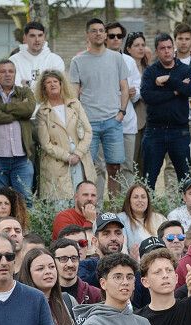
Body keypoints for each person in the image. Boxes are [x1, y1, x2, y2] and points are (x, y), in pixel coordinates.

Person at [69, 18, 129, 197]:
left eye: (101, 30)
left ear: (105, 34)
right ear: (87, 34)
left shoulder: (116, 58)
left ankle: (116, 206)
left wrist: (121, 112)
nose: (98, 33)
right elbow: (74, 93)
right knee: (88, 168)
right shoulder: (78, 61)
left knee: (115, 166)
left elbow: (124, 87)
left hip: (113, 121)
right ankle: (92, 206)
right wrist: (79, 117)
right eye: (94, 30)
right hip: (89, 124)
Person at [139, 33, 191, 188]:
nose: (167, 51)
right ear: (157, 51)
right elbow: (148, 96)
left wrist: (169, 80)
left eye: (169, 47)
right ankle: (147, 210)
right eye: (163, 48)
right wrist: (175, 91)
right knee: (149, 179)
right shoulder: (150, 72)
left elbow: (190, 90)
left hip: (179, 131)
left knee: (185, 179)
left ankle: (185, 211)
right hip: (155, 131)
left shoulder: (185, 69)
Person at [0, 60, 34, 204]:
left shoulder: (25, 92)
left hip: (22, 157)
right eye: (3, 71)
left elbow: (28, 110)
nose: (7, 75)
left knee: (25, 200)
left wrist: (2, 108)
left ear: (15, 74)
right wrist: (18, 112)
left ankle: (25, 227)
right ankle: (1, 227)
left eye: (11, 71)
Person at [35, 70, 96, 204]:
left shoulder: (74, 104)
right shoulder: (42, 112)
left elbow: (88, 131)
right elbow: (45, 143)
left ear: (61, 84)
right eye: (48, 83)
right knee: (61, 203)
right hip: (58, 161)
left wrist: (78, 154)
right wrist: (67, 157)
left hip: (80, 157)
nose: (52, 85)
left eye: (55, 81)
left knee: (83, 199)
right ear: (43, 88)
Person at [9, 22, 63, 88]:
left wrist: (28, 83)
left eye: (40, 35)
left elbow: (55, 86)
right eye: (32, 36)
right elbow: (15, 86)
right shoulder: (13, 60)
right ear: (25, 38)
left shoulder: (55, 60)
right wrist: (44, 84)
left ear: (44, 37)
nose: (37, 40)